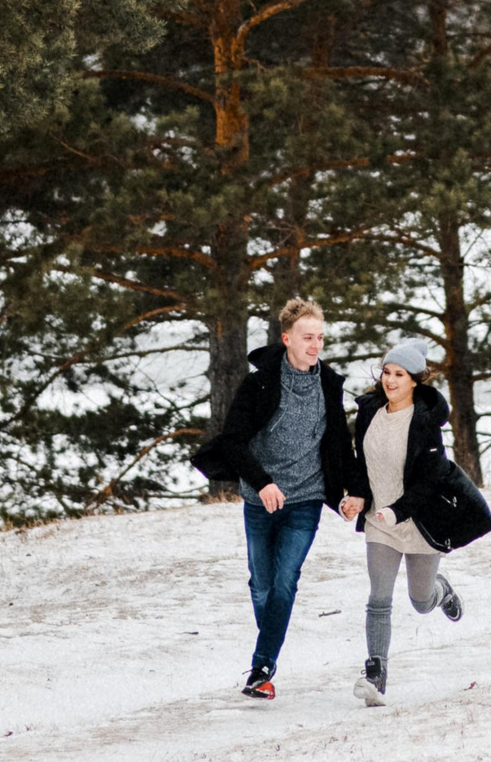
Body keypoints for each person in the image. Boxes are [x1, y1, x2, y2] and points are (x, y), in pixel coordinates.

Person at [190, 297, 364, 701]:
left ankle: (262, 667)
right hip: (260, 498)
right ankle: (267, 651)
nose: (315, 344)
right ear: (287, 339)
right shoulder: (261, 383)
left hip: (305, 499)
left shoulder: (328, 385)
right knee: (261, 586)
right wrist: (263, 482)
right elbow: (233, 440)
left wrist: (354, 491)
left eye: (320, 337)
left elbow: (339, 445)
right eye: (307, 337)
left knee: (286, 581)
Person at [349, 340, 468, 707]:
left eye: (399, 374)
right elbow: (360, 464)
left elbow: (430, 480)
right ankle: (376, 673)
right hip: (380, 521)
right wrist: (357, 495)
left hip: (420, 521)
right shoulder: (369, 411)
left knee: (419, 601)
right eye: (386, 372)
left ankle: (440, 590)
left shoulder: (426, 421)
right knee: (379, 598)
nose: (390, 379)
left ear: (415, 380)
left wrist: (399, 510)